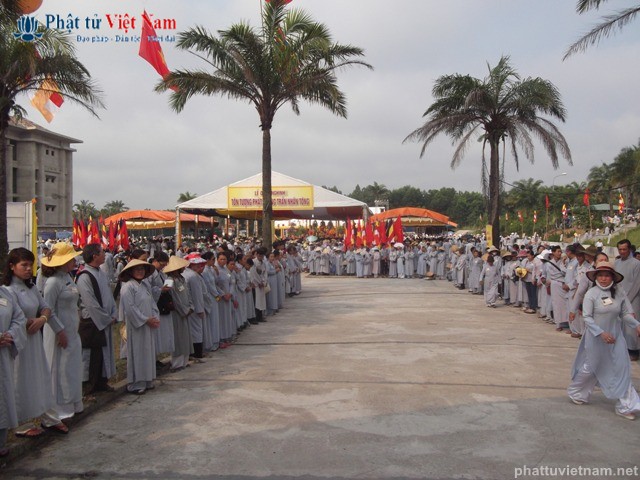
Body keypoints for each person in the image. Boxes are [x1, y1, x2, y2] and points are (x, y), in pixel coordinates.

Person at [4, 248, 68, 436]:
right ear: (12, 266)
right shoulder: (7, 290)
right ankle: (20, 423)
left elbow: (45, 307)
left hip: (34, 342)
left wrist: (43, 320)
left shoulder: (31, 288)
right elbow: (12, 317)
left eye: (30, 265)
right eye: (23, 265)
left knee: (40, 378)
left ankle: (48, 416)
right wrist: (27, 322)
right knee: (19, 380)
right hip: (17, 343)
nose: (28, 269)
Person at [567, 261, 640, 420]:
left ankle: (626, 406)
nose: (604, 279)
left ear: (613, 277)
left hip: (615, 338)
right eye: (600, 275)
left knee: (621, 368)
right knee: (591, 367)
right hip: (596, 338)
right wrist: (601, 333)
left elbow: (625, 314)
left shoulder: (619, 293)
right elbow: (587, 317)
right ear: (596, 277)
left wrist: (636, 325)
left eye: (607, 275)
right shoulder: (591, 294)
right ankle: (577, 393)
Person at [41, 243, 85, 421]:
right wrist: (59, 331)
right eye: (71, 258)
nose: (74, 261)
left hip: (72, 330)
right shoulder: (52, 283)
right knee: (60, 368)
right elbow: (48, 310)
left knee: (72, 368)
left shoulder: (68, 278)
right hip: (58, 333)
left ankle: (74, 402)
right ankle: (59, 408)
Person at [76, 244, 118, 395]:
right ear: (94, 256)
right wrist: (105, 318)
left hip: (105, 320)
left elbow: (108, 296)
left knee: (103, 354)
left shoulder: (101, 273)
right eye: (102, 253)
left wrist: (113, 312)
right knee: (92, 355)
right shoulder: (84, 277)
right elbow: (90, 303)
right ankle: (90, 386)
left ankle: (102, 381)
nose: (105, 255)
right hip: (93, 322)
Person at [119, 259, 159, 395]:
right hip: (136, 326)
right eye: (137, 269)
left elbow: (152, 303)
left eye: (142, 269)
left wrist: (154, 317)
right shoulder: (127, 287)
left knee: (148, 351)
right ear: (131, 272)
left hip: (148, 325)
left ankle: (148, 379)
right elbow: (130, 308)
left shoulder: (145, 285)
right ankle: (137, 383)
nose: (140, 272)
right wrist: (145, 319)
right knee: (137, 352)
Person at [0, 276, 27, 456]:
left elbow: (19, 318)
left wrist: (10, 334)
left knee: (2, 398)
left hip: (4, 354)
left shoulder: (5, 294)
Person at [163, 256, 192, 371]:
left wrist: (190, 307)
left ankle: (184, 360)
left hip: (186, 311)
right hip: (177, 313)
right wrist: (183, 310)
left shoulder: (182, 279)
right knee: (178, 337)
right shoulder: (169, 280)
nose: (184, 268)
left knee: (185, 337)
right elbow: (173, 298)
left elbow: (188, 294)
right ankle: (177, 363)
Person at [614, 239, 640, 361]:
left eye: (624, 249)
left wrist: (627, 300)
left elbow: (637, 284)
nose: (622, 251)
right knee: (620, 325)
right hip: (619, 298)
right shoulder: (616, 263)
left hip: (633, 299)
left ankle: (633, 350)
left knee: (631, 325)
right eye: (620, 249)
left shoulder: (636, 264)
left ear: (629, 249)